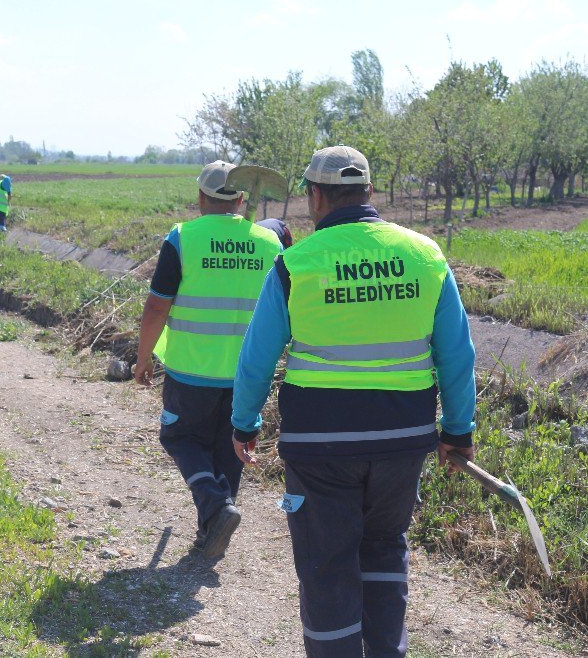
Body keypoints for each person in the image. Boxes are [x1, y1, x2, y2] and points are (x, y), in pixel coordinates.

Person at [231, 145, 477, 657]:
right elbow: (456, 355)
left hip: (319, 448)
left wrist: (244, 422)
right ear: (370, 192)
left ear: (316, 196)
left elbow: (257, 357)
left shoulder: (294, 264)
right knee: (385, 548)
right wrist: (458, 433)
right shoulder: (425, 255)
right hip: (402, 444)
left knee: (327, 565)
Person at [133, 161, 283, 559]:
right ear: (240, 198)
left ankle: (216, 508)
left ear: (201, 197)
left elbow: (156, 307)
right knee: (229, 446)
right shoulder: (271, 245)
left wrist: (142, 358)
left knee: (180, 437)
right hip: (247, 375)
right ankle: (213, 527)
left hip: (192, 369)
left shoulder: (184, 238)